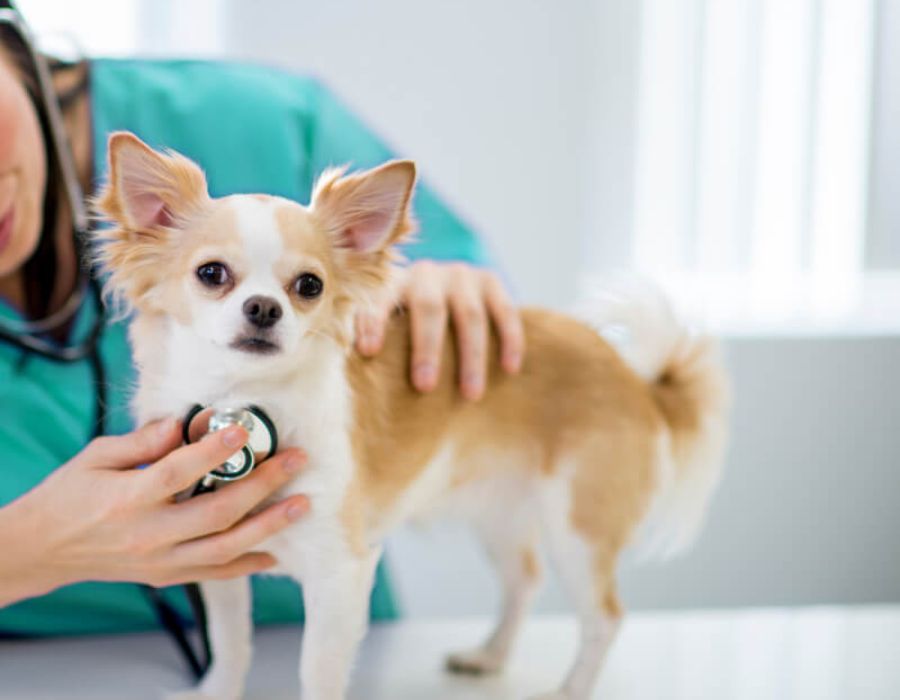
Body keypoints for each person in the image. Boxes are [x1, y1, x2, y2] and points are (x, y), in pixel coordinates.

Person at [0, 1, 524, 648]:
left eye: (301, 287)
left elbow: (460, 287)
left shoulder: (265, 119)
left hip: (332, 647)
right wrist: (20, 554)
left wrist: (447, 286)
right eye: (214, 275)